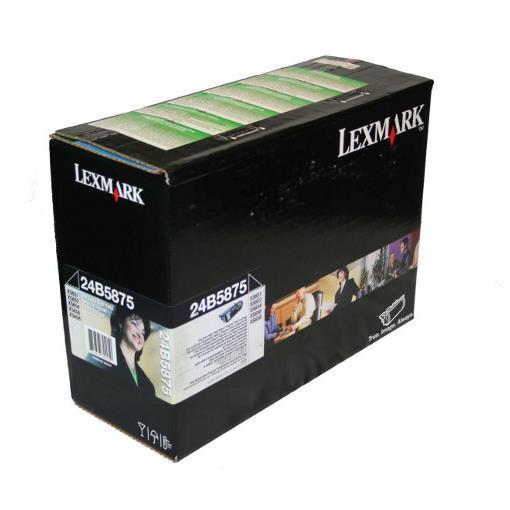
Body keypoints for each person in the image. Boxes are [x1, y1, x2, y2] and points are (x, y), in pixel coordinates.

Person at [110, 307, 155, 396]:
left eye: (143, 332)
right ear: (120, 324)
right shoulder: (103, 360)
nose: (139, 334)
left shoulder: (148, 385)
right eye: (134, 324)